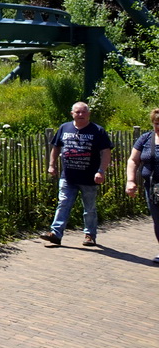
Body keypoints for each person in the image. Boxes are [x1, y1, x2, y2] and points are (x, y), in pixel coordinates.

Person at [40, 101, 112, 246]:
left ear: (88, 114)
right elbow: (56, 147)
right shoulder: (64, 128)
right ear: (72, 113)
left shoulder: (97, 131)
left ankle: (89, 235)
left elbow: (106, 152)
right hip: (68, 176)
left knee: (89, 208)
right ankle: (56, 234)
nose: (80, 115)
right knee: (63, 204)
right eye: (77, 112)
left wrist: (101, 171)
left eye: (83, 112)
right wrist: (51, 165)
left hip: (89, 178)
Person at [124, 108, 159, 264]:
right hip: (153, 188)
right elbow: (133, 160)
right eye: (157, 123)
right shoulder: (145, 139)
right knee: (158, 220)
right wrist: (131, 181)